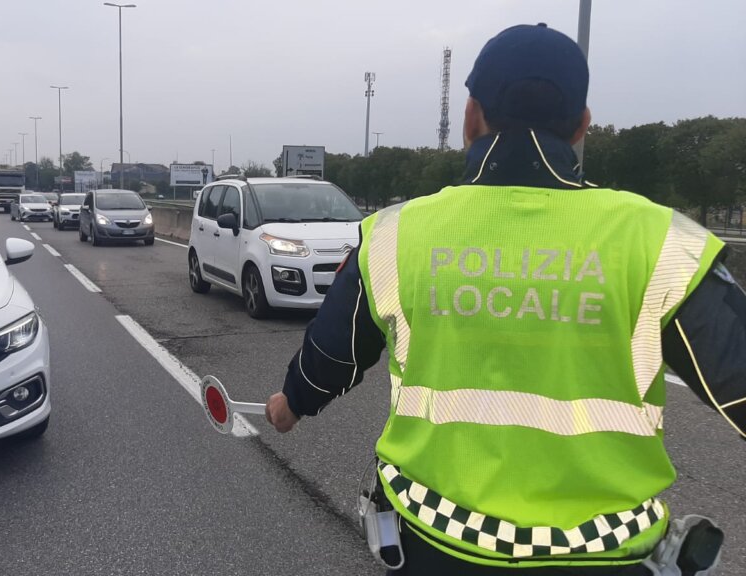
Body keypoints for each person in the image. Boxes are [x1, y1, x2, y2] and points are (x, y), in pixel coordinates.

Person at [265, 23, 744, 575]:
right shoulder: (661, 242)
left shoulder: (396, 234)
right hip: (606, 553)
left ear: (471, 117)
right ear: (583, 126)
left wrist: (291, 404)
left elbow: (334, 352)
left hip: (435, 543)